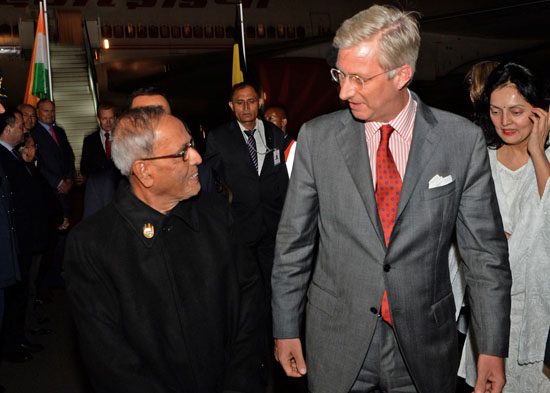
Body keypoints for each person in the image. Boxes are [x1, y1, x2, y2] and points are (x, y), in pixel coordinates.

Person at [271, 5, 512, 393]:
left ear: (402, 75)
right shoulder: (317, 138)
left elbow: (485, 255)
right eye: (340, 74)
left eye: (359, 78)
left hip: (424, 341)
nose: (343, 90)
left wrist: (492, 347)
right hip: (337, 338)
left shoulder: (459, 141)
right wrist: (284, 327)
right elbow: (293, 245)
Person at [64, 106, 263, 393]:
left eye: (192, 145)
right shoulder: (93, 245)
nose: (196, 158)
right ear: (143, 171)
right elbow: (109, 359)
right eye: (182, 152)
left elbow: (249, 301)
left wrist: (240, 383)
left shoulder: (217, 214)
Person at [458, 62, 550, 392]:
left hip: (540, 312)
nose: (505, 122)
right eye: (496, 112)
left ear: (540, 112)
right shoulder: (480, 156)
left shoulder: (548, 159)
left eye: (516, 111)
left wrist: (538, 153)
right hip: (491, 309)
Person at [30, 98, 75, 227]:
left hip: (67, 190)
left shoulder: (60, 131)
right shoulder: (33, 133)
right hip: (49, 191)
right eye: (46, 111)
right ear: (38, 113)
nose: (50, 114)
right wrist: (58, 182)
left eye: (52, 111)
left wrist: (69, 180)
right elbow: (37, 165)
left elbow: (70, 156)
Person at [80, 103, 116, 179]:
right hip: (99, 186)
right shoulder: (89, 141)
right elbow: (84, 168)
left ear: (115, 118)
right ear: (98, 119)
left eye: (111, 118)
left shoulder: (123, 138)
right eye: (104, 118)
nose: (108, 122)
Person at [265, 105, 295, 176]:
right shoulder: (266, 147)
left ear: (283, 122)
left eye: (270, 118)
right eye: (264, 119)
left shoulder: (295, 147)